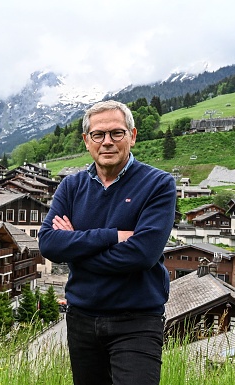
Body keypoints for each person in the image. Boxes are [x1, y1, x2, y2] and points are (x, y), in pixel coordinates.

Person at [38, 100, 176, 385]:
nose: (107, 142)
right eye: (98, 135)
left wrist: (75, 247)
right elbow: (49, 244)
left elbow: (142, 255)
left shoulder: (158, 184)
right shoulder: (71, 186)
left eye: (117, 133)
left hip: (137, 320)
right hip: (82, 319)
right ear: (86, 141)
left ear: (133, 136)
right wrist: (112, 236)